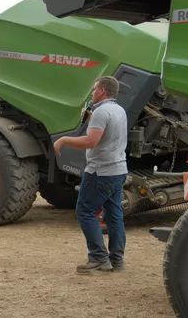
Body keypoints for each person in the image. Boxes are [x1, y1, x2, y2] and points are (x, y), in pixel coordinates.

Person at [53, 76, 128, 274]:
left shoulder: (101, 112)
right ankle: (116, 260)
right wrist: (89, 120)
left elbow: (91, 141)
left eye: (95, 89)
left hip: (100, 171)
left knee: (85, 211)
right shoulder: (119, 110)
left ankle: (98, 258)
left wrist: (63, 140)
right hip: (118, 169)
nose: (92, 92)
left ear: (102, 91)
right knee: (114, 214)